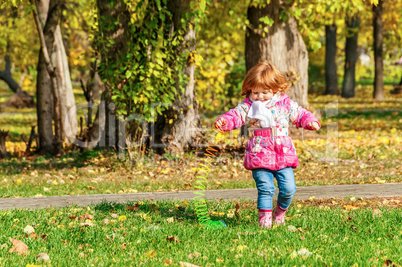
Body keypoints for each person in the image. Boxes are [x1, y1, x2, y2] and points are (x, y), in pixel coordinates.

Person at [214, 61, 321, 229]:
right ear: (250, 89)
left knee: (289, 188)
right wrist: (224, 121)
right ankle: (264, 222)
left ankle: (280, 212)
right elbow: (235, 115)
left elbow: (299, 113)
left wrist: (310, 121)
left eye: (265, 92)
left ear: (276, 89)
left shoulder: (284, 104)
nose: (260, 96)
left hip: (282, 153)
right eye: (256, 92)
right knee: (265, 188)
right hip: (259, 153)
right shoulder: (249, 106)